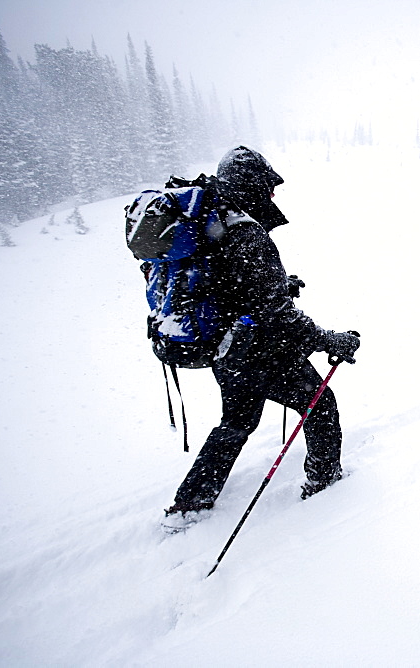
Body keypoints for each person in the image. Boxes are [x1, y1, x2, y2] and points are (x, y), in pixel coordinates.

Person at [163, 146, 360, 528]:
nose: (272, 197)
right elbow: (280, 317)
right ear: (250, 186)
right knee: (319, 404)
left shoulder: (211, 222)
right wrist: (331, 340)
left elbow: (227, 285)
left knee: (237, 421)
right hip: (258, 351)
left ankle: (190, 505)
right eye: (268, 189)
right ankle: (324, 481)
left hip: (224, 349)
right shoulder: (246, 233)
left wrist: (278, 285)